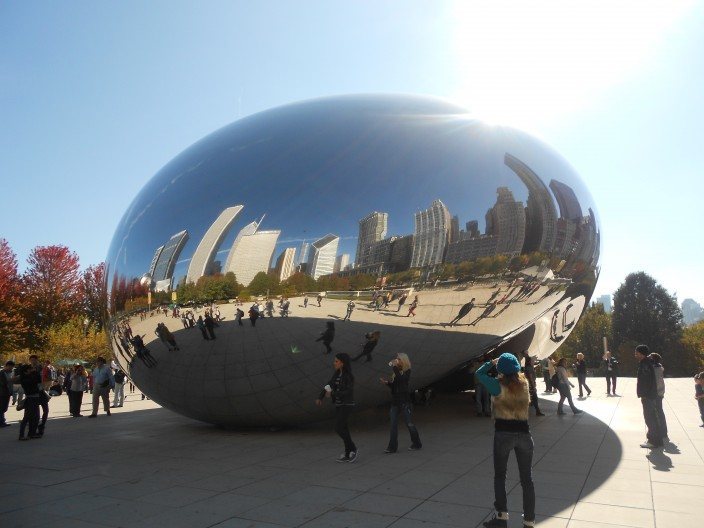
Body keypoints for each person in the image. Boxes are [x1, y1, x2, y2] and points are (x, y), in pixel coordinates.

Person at [475, 353, 535, 528]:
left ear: (500, 369)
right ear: (517, 368)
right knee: (527, 480)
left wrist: (491, 362)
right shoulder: (524, 385)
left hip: (503, 435)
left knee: (500, 477)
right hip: (524, 434)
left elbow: (479, 374)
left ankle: (501, 517)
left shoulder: (497, 386)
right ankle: (529, 521)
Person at [316, 353, 358, 463]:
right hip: (339, 405)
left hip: (347, 405)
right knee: (344, 429)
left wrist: (333, 394)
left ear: (342, 363)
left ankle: (353, 448)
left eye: (336, 361)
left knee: (338, 428)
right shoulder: (337, 374)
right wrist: (320, 397)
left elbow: (348, 391)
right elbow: (328, 385)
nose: (334, 363)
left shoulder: (348, 376)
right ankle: (348, 453)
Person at [380, 353, 422, 453]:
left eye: (398, 359)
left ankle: (417, 443)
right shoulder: (397, 372)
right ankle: (392, 447)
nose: (396, 360)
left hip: (405, 402)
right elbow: (395, 387)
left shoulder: (407, 371)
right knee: (393, 425)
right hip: (395, 402)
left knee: (409, 423)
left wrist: (394, 367)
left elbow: (402, 380)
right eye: (396, 359)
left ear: (403, 360)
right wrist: (388, 383)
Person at [635, 344, 663, 449]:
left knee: (649, 418)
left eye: (636, 353)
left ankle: (652, 441)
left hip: (648, 396)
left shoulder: (645, 364)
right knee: (653, 418)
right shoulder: (647, 362)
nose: (635, 355)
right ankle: (658, 440)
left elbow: (646, 381)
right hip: (651, 395)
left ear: (642, 354)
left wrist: (644, 394)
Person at [649, 353, 668, 443]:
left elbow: (656, 383)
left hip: (656, 394)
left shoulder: (655, 369)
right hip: (660, 393)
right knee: (660, 412)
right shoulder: (659, 367)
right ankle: (664, 432)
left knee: (656, 413)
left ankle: (660, 432)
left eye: (650, 357)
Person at [521, 352, 544, 416]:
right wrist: (533, 386)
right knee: (534, 398)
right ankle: (537, 411)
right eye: (533, 361)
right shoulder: (529, 368)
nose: (534, 362)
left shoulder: (528, 367)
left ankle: (536, 411)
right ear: (530, 361)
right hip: (530, 386)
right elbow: (530, 378)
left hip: (529, 385)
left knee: (531, 398)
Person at [0, 361, 15, 428]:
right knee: (2, 408)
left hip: (7, 393)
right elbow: (2, 383)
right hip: (2, 393)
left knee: (4, 408)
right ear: (7, 366)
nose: (11, 369)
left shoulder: (10, 373)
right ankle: (1, 422)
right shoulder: (1, 373)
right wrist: (11, 380)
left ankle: (2, 421)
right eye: (11, 367)